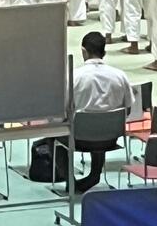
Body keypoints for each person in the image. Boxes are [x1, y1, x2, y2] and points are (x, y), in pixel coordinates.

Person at [55, 32, 133, 193]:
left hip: (79, 138)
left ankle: (70, 181)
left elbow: (62, 111)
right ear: (104, 52)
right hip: (110, 138)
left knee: (53, 136)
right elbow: (129, 109)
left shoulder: (74, 77)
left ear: (83, 51)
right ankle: (94, 175)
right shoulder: (120, 76)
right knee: (100, 126)